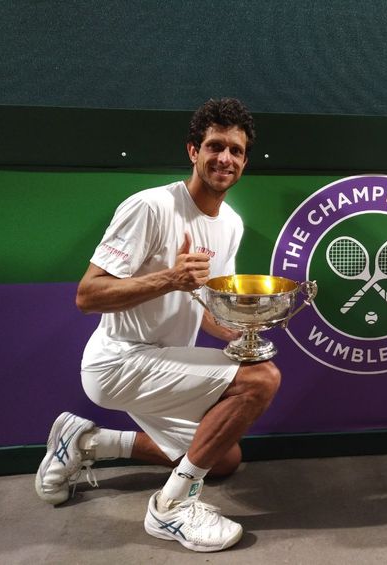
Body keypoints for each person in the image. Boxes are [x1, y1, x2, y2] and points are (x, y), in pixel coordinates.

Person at [35, 98, 281, 553]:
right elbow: (87, 296)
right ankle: (171, 509)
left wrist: (235, 330)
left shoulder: (231, 224)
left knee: (224, 456)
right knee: (261, 381)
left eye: (235, 150)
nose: (224, 158)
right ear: (193, 150)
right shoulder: (149, 207)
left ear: (245, 161)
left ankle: (88, 441)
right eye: (214, 146)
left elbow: (201, 301)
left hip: (163, 363)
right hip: (120, 361)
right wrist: (171, 276)